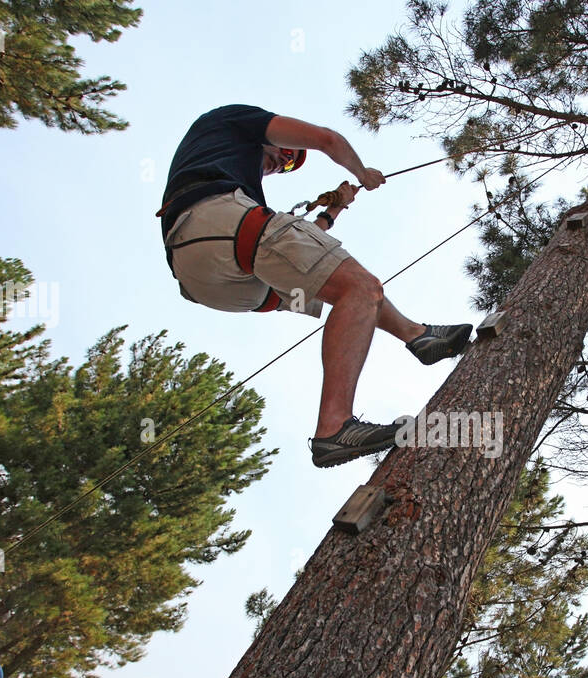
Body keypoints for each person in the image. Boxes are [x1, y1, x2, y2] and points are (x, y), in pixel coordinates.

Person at [157, 104, 475, 468]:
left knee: (343, 288)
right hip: (213, 222)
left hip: (205, 274)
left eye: (289, 164)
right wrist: (363, 173)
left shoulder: (223, 166)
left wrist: (334, 210)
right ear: (269, 138)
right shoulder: (231, 123)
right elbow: (328, 139)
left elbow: (301, 257)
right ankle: (334, 427)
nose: (284, 161)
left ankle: (418, 335)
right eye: (284, 153)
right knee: (359, 288)